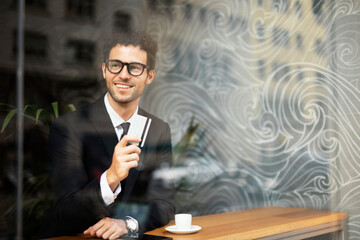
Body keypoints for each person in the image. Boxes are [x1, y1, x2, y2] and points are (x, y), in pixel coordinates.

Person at [40, 30, 175, 239]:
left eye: (135, 68)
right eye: (115, 65)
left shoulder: (158, 129)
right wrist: (111, 177)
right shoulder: (69, 127)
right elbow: (64, 211)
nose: (123, 74)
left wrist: (128, 223)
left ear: (150, 76)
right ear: (104, 69)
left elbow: (164, 204)